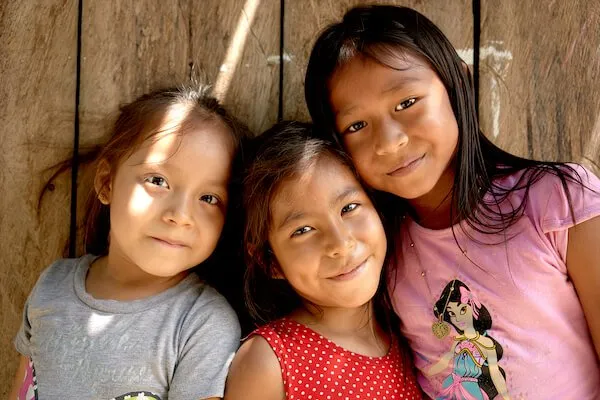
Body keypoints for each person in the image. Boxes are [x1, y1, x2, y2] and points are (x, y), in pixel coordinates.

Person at [304, 4, 600, 399]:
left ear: (456, 82)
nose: (390, 140)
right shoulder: (378, 257)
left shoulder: (558, 200)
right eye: (357, 125)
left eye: (407, 103)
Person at [9, 85, 247, 400]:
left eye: (208, 197)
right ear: (107, 182)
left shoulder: (202, 324)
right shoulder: (53, 285)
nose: (180, 215)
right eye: (158, 181)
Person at [224, 121, 422, 400]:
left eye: (349, 208)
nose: (341, 244)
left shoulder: (418, 340)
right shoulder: (270, 361)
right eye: (303, 230)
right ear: (270, 262)